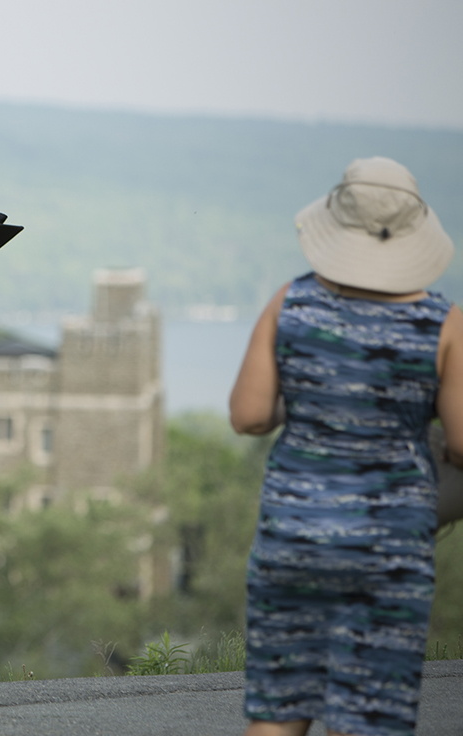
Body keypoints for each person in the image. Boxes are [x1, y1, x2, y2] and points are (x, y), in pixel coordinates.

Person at [229, 156, 462, 736]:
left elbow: (250, 416)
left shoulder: (291, 303)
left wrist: (309, 400)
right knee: (368, 717)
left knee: (278, 712)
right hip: (389, 547)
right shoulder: (443, 324)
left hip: (293, 535)